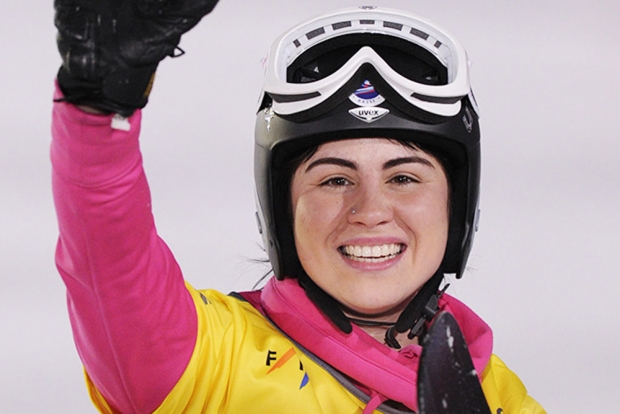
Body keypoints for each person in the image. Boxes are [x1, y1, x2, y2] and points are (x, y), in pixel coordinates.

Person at [51, 1, 546, 413]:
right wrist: (97, 109)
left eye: (403, 178)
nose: (370, 210)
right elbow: (108, 258)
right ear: (282, 214)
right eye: (335, 179)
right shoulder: (206, 362)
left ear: (455, 210)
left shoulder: (498, 395)